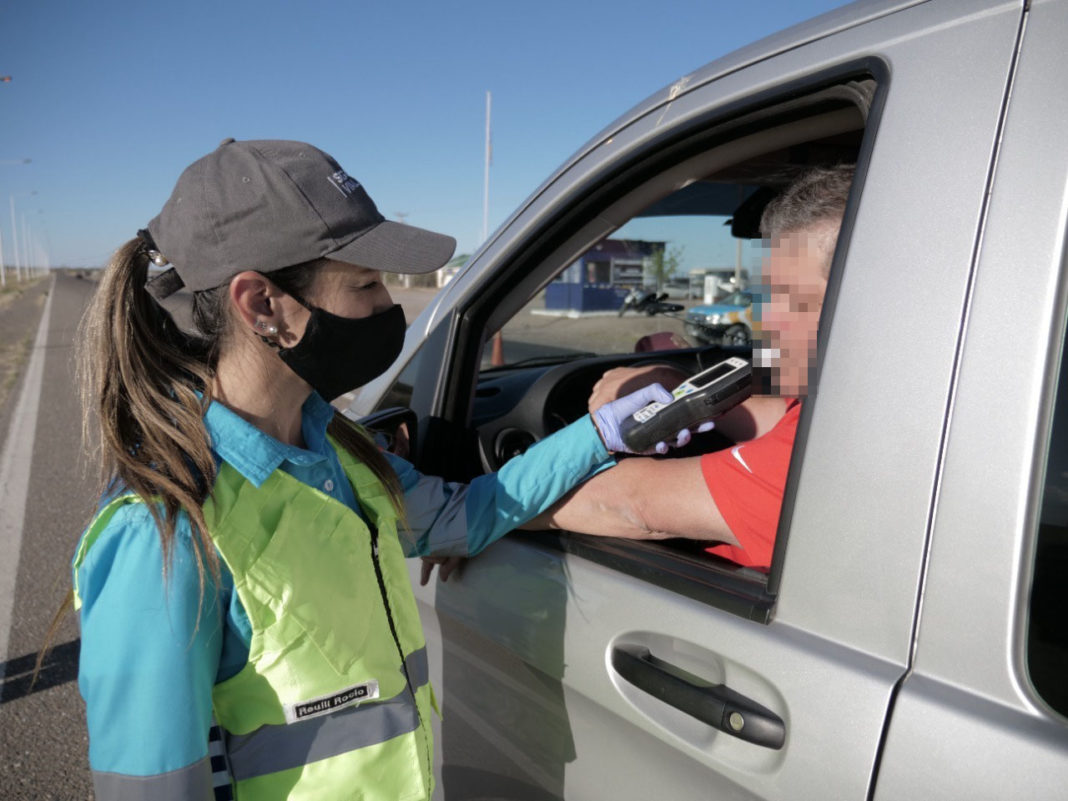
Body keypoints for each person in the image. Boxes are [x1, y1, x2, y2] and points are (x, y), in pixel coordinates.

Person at [70, 139, 692, 801]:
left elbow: (468, 514)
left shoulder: (340, 456)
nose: (389, 303)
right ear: (262, 306)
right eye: (365, 283)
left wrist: (605, 431)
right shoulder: (165, 533)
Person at [527, 164, 854, 570]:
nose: (764, 318)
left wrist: (471, 518)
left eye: (791, 298)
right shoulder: (852, 403)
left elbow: (630, 504)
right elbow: (781, 416)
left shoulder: (837, 454)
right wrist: (679, 388)